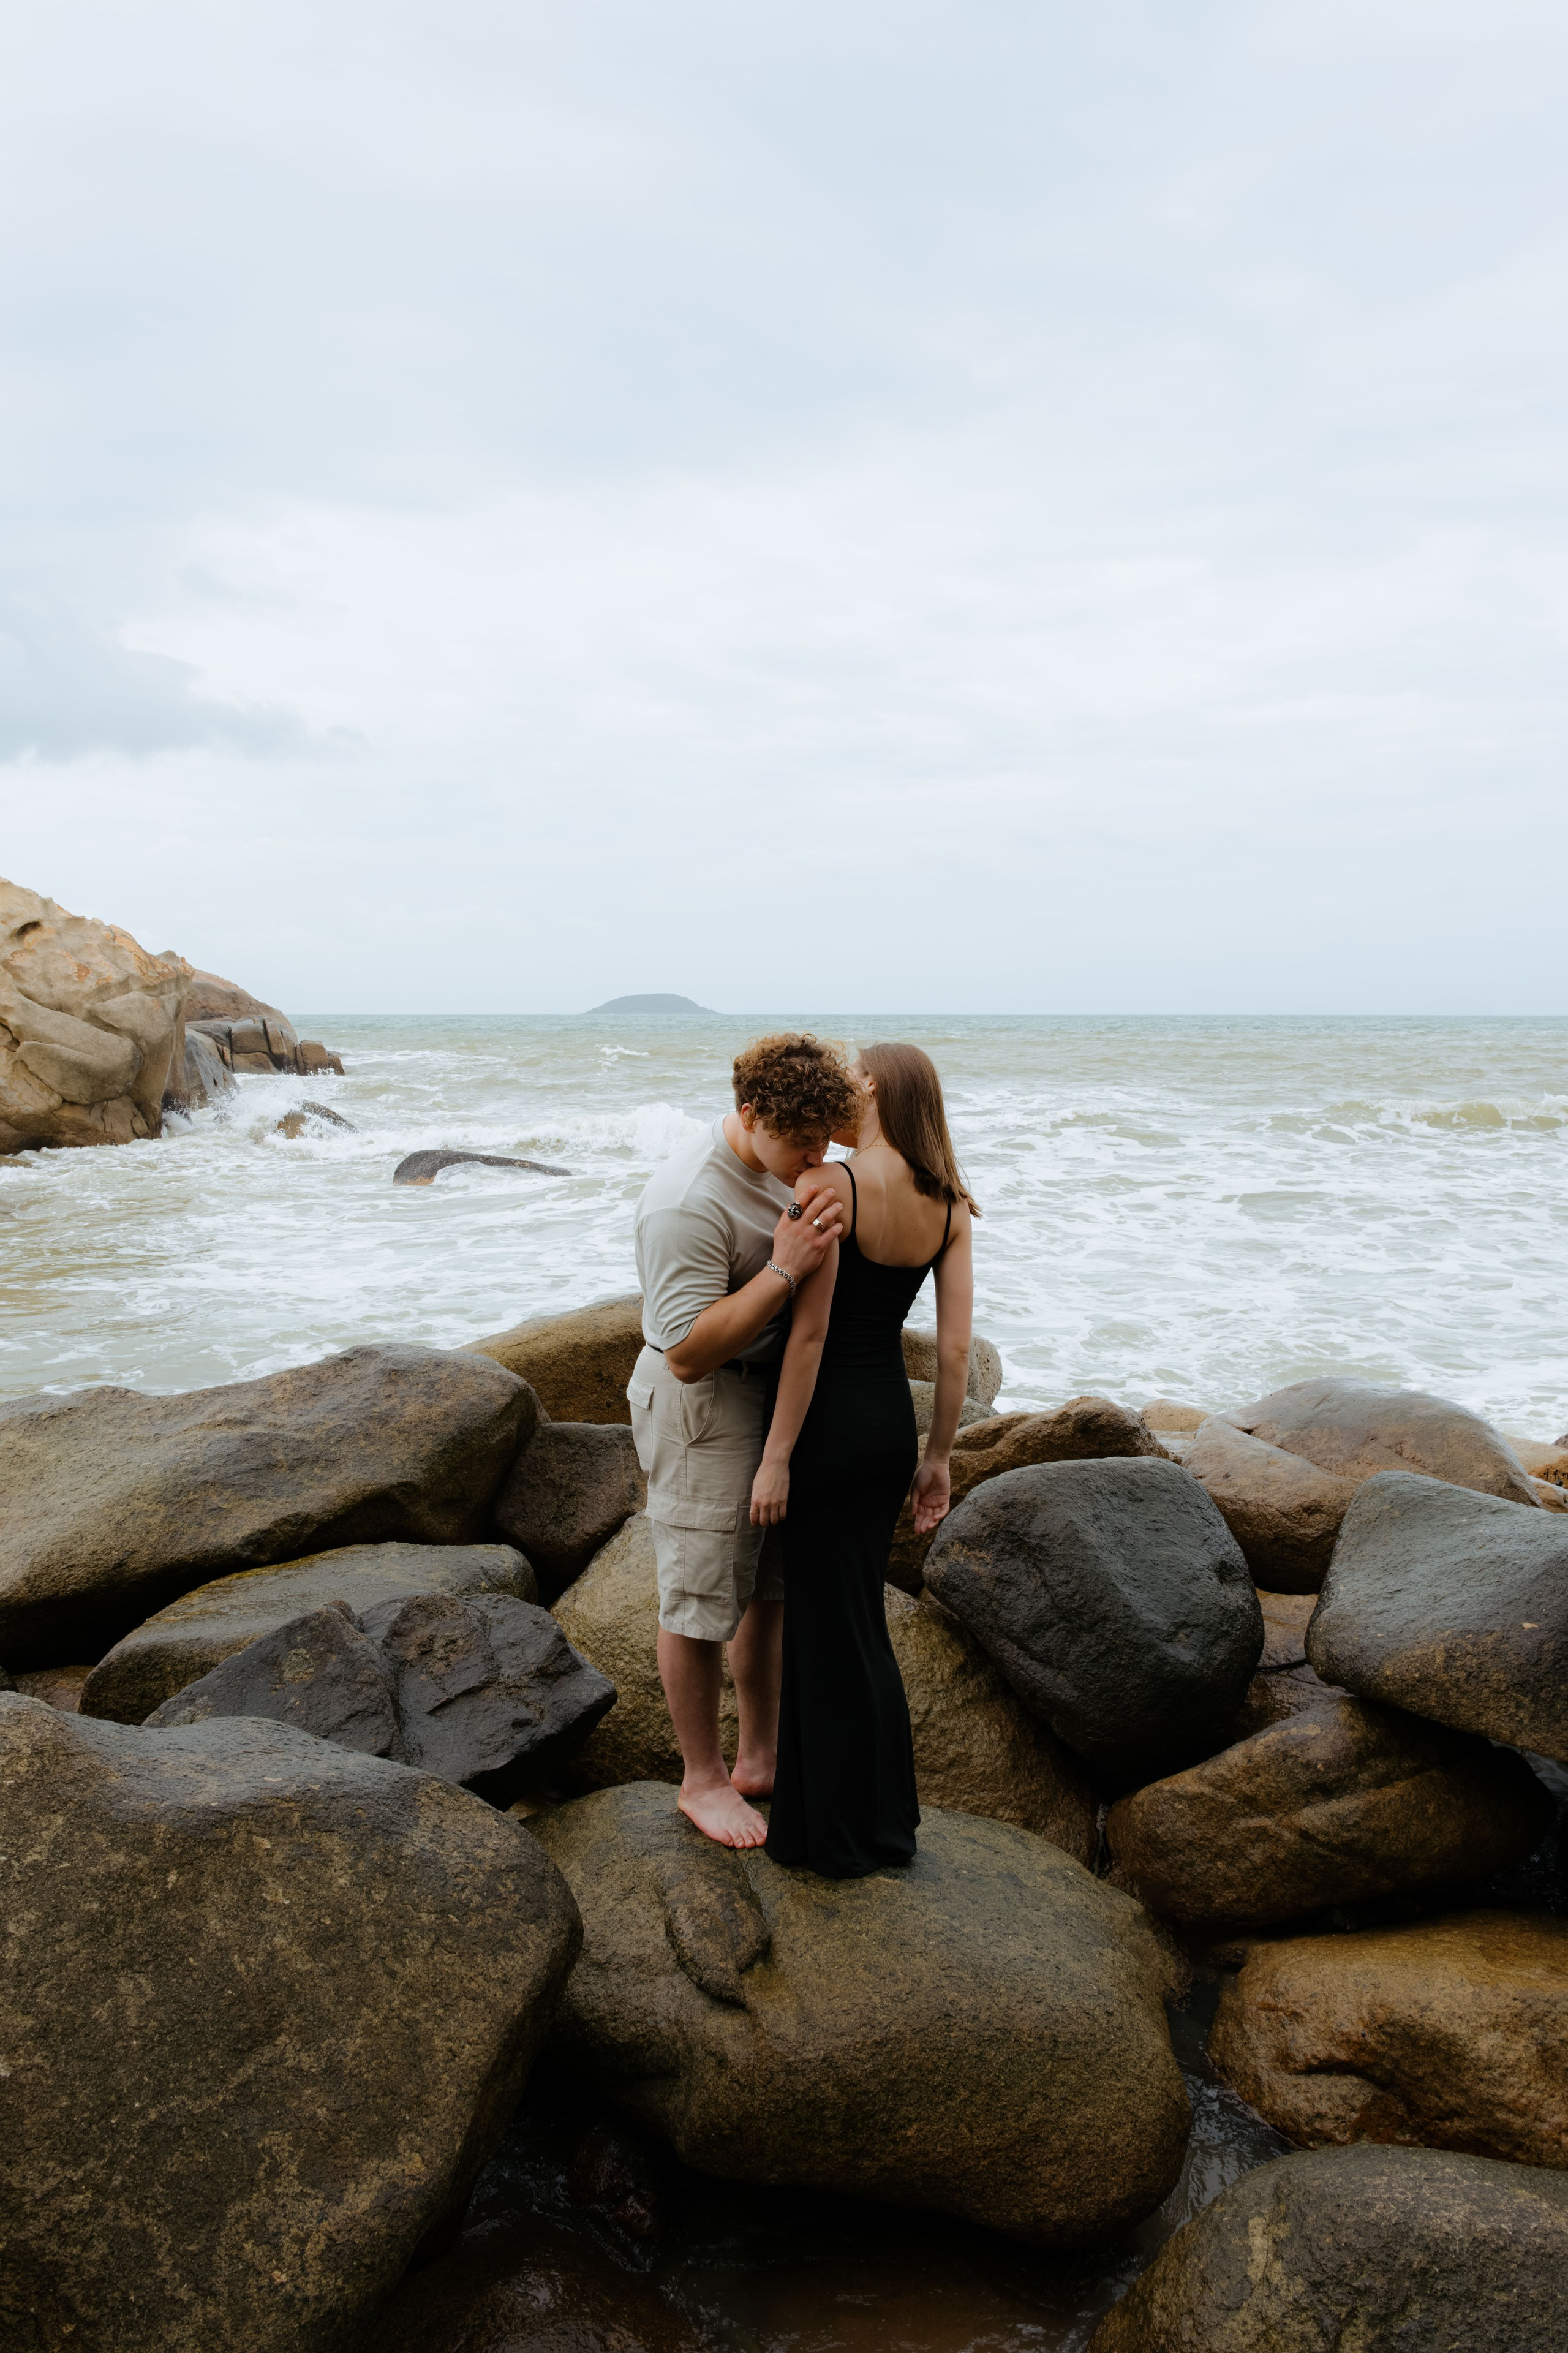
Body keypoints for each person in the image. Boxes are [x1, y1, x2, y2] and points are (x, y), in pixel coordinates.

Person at [628, 1033, 865, 1849]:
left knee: (769, 1587)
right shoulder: (687, 1201)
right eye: (801, 1142)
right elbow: (687, 1353)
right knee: (698, 1596)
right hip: (702, 1399)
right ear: (749, 1113)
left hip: (769, 1393)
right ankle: (701, 1779)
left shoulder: (798, 1158)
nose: (816, 1159)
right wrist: (784, 1269)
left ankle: (760, 1757)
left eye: (826, 1141)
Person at [750, 1041, 978, 1878]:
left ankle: (835, 1835)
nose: (840, 1089)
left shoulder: (829, 1185)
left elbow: (808, 1336)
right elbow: (954, 1353)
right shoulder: (949, 1205)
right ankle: (880, 1821)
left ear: (873, 1087)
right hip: (886, 1426)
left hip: (824, 1426)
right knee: (859, 1623)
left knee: (826, 1625)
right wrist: (938, 1456)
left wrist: (776, 1457)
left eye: (850, 1076)